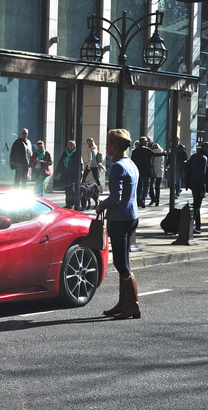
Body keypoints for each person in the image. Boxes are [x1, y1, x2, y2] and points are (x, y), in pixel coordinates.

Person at [96, 129, 140, 320]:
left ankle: (132, 306)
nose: (106, 146)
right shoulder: (130, 164)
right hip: (131, 217)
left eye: (108, 143)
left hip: (120, 219)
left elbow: (116, 197)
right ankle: (124, 304)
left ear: (114, 146)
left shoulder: (117, 167)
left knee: (121, 263)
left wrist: (100, 206)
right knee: (125, 262)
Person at [184, 142, 208, 235]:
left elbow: (188, 170)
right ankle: (190, 225)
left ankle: (198, 226)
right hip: (199, 185)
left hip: (193, 184)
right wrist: (202, 189)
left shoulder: (194, 156)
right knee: (196, 206)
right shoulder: (203, 158)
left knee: (197, 205)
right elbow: (202, 175)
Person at [55, 140, 81, 209]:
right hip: (65, 174)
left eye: (72, 145)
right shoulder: (65, 153)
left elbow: (80, 165)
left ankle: (72, 203)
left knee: (71, 189)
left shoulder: (76, 154)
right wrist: (56, 172)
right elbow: (60, 163)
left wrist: (79, 174)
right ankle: (68, 203)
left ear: (74, 146)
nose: (70, 146)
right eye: (69, 145)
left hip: (72, 174)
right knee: (66, 189)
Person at [131, 136, 155, 208]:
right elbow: (156, 154)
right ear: (143, 142)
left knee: (139, 187)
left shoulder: (135, 151)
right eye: (146, 141)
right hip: (146, 171)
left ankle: (138, 200)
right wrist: (165, 153)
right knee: (146, 186)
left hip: (138, 171)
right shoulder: (147, 150)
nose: (147, 142)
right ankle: (143, 199)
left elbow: (132, 161)